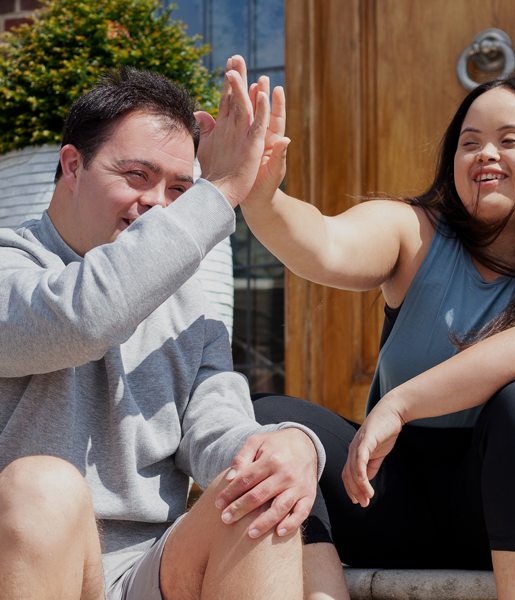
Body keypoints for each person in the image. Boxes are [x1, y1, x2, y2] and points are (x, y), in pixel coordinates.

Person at [232, 72, 515, 600]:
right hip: (398, 499)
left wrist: (399, 404)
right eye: (468, 143)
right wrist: (264, 199)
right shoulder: (414, 231)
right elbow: (326, 243)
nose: (484, 154)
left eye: (509, 140)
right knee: (262, 418)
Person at [0, 58, 326, 600]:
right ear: (73, 165)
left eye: (180, 188)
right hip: (21, 566)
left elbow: (217, 431)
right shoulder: (11, 269)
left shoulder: (188, 306)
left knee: (258, 489)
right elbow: (85, 316)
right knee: (45, 487)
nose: (157, 203)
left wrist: (286, 449)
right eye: (137, 176)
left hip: (144, 574)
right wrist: (217, 192)